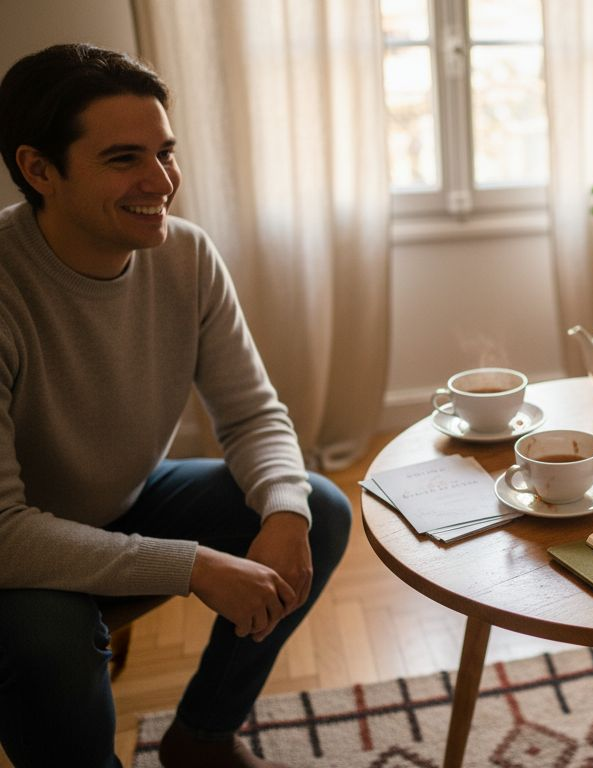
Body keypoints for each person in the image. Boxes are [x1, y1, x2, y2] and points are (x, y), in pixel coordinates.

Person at [0, 45, 350, 768]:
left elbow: (253, 415)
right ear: (39, 170)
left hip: (119, 502)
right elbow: (5, 531)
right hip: (15, 546)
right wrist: (193, 566)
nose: (160, 182)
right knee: (47, 641)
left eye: (166, 152)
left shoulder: (186, 256)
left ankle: (203, 735)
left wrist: (284, 513)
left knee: (317, 509)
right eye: (124, 158)